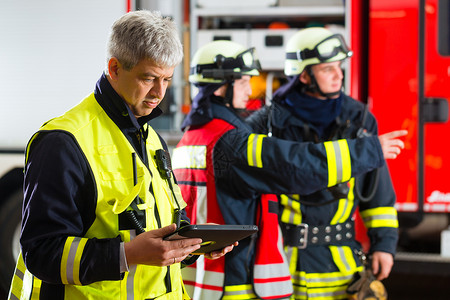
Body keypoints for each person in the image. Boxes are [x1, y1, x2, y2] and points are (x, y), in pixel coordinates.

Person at [8, 10, 234, 300]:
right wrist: (126, 254)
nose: (158, 93)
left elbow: (158, 230)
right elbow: (41, 253)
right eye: (149, 78)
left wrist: (194, 242)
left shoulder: (151, 138)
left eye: (167, 79)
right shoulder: (63, 142)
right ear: (114, 68)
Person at [171, 40, 406, 300]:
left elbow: (376, 191)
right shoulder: (236, 139)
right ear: (220, 88)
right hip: (238, 280)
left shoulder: (191, 137)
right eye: (244, 82)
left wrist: (384, 241)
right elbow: (295, 166)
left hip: (204, 280)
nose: (252, 91)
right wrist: (367, 150)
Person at [246, 27, 401, 299]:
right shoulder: (267, 122)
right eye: (328, 69)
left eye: (340, 66)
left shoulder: (360, 119)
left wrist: (384, 245)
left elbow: (376, 191)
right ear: (304, 75)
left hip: (340, 263)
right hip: (280, 261)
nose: (339, 75)